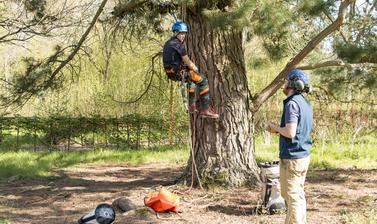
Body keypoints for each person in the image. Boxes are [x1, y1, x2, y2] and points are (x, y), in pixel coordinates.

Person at [266, 69, 313, 224]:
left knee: (291, 195)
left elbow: (290, 132)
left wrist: (275, 127)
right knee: (297, 194)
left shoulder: (292, 104)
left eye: (287, 81)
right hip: (302, 155)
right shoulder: (304, 102)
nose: (284, 84)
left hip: (292, 157)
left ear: (292, 83)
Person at [162, 21, 219, 119]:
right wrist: (194, 67)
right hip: (178, 73)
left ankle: (192, 106)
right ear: (175, 33)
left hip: (172, 73)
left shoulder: (168, 43)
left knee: (192, 81)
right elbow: (187, 61)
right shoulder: (178, 45)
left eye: (184, 34)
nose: (182, 36)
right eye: (180, 33)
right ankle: (205, 109)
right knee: (203, 80)